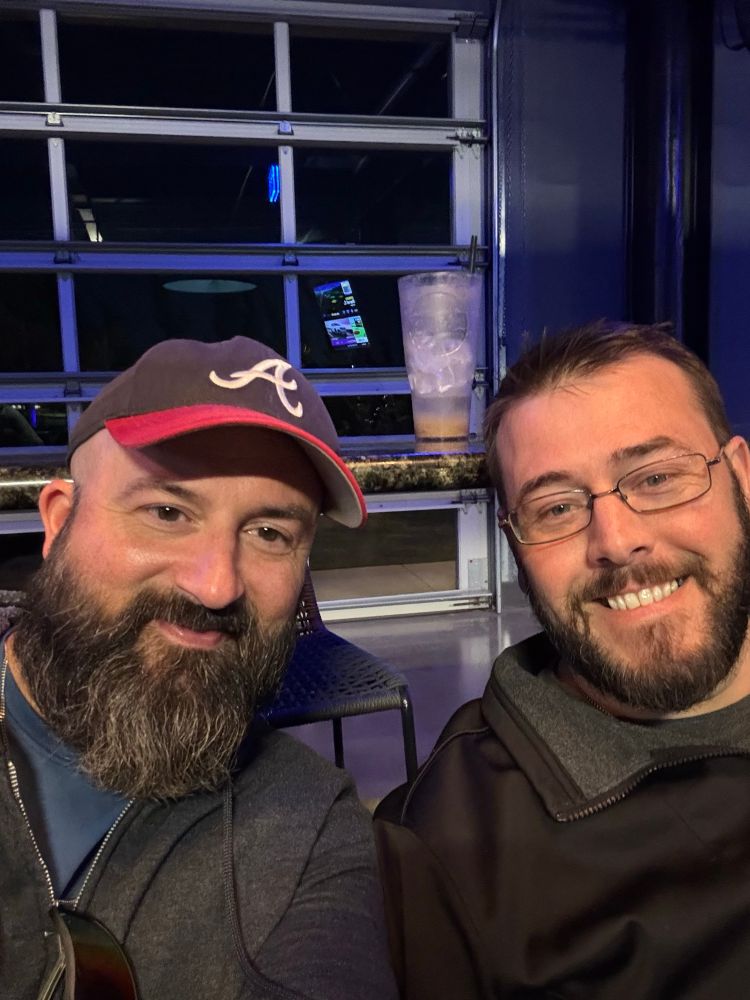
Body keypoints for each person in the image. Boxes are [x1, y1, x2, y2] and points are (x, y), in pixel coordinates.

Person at [0, 335, 397, 1000]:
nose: (216, 586)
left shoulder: (307, 827)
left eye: (269, 533)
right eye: (167, 512)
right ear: (59, 523)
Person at [374, 320, 750, 998]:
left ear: (742, 477)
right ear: (516, 548)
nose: (617, 541)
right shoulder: (450, 851)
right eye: (555, 510)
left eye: (657, 477)